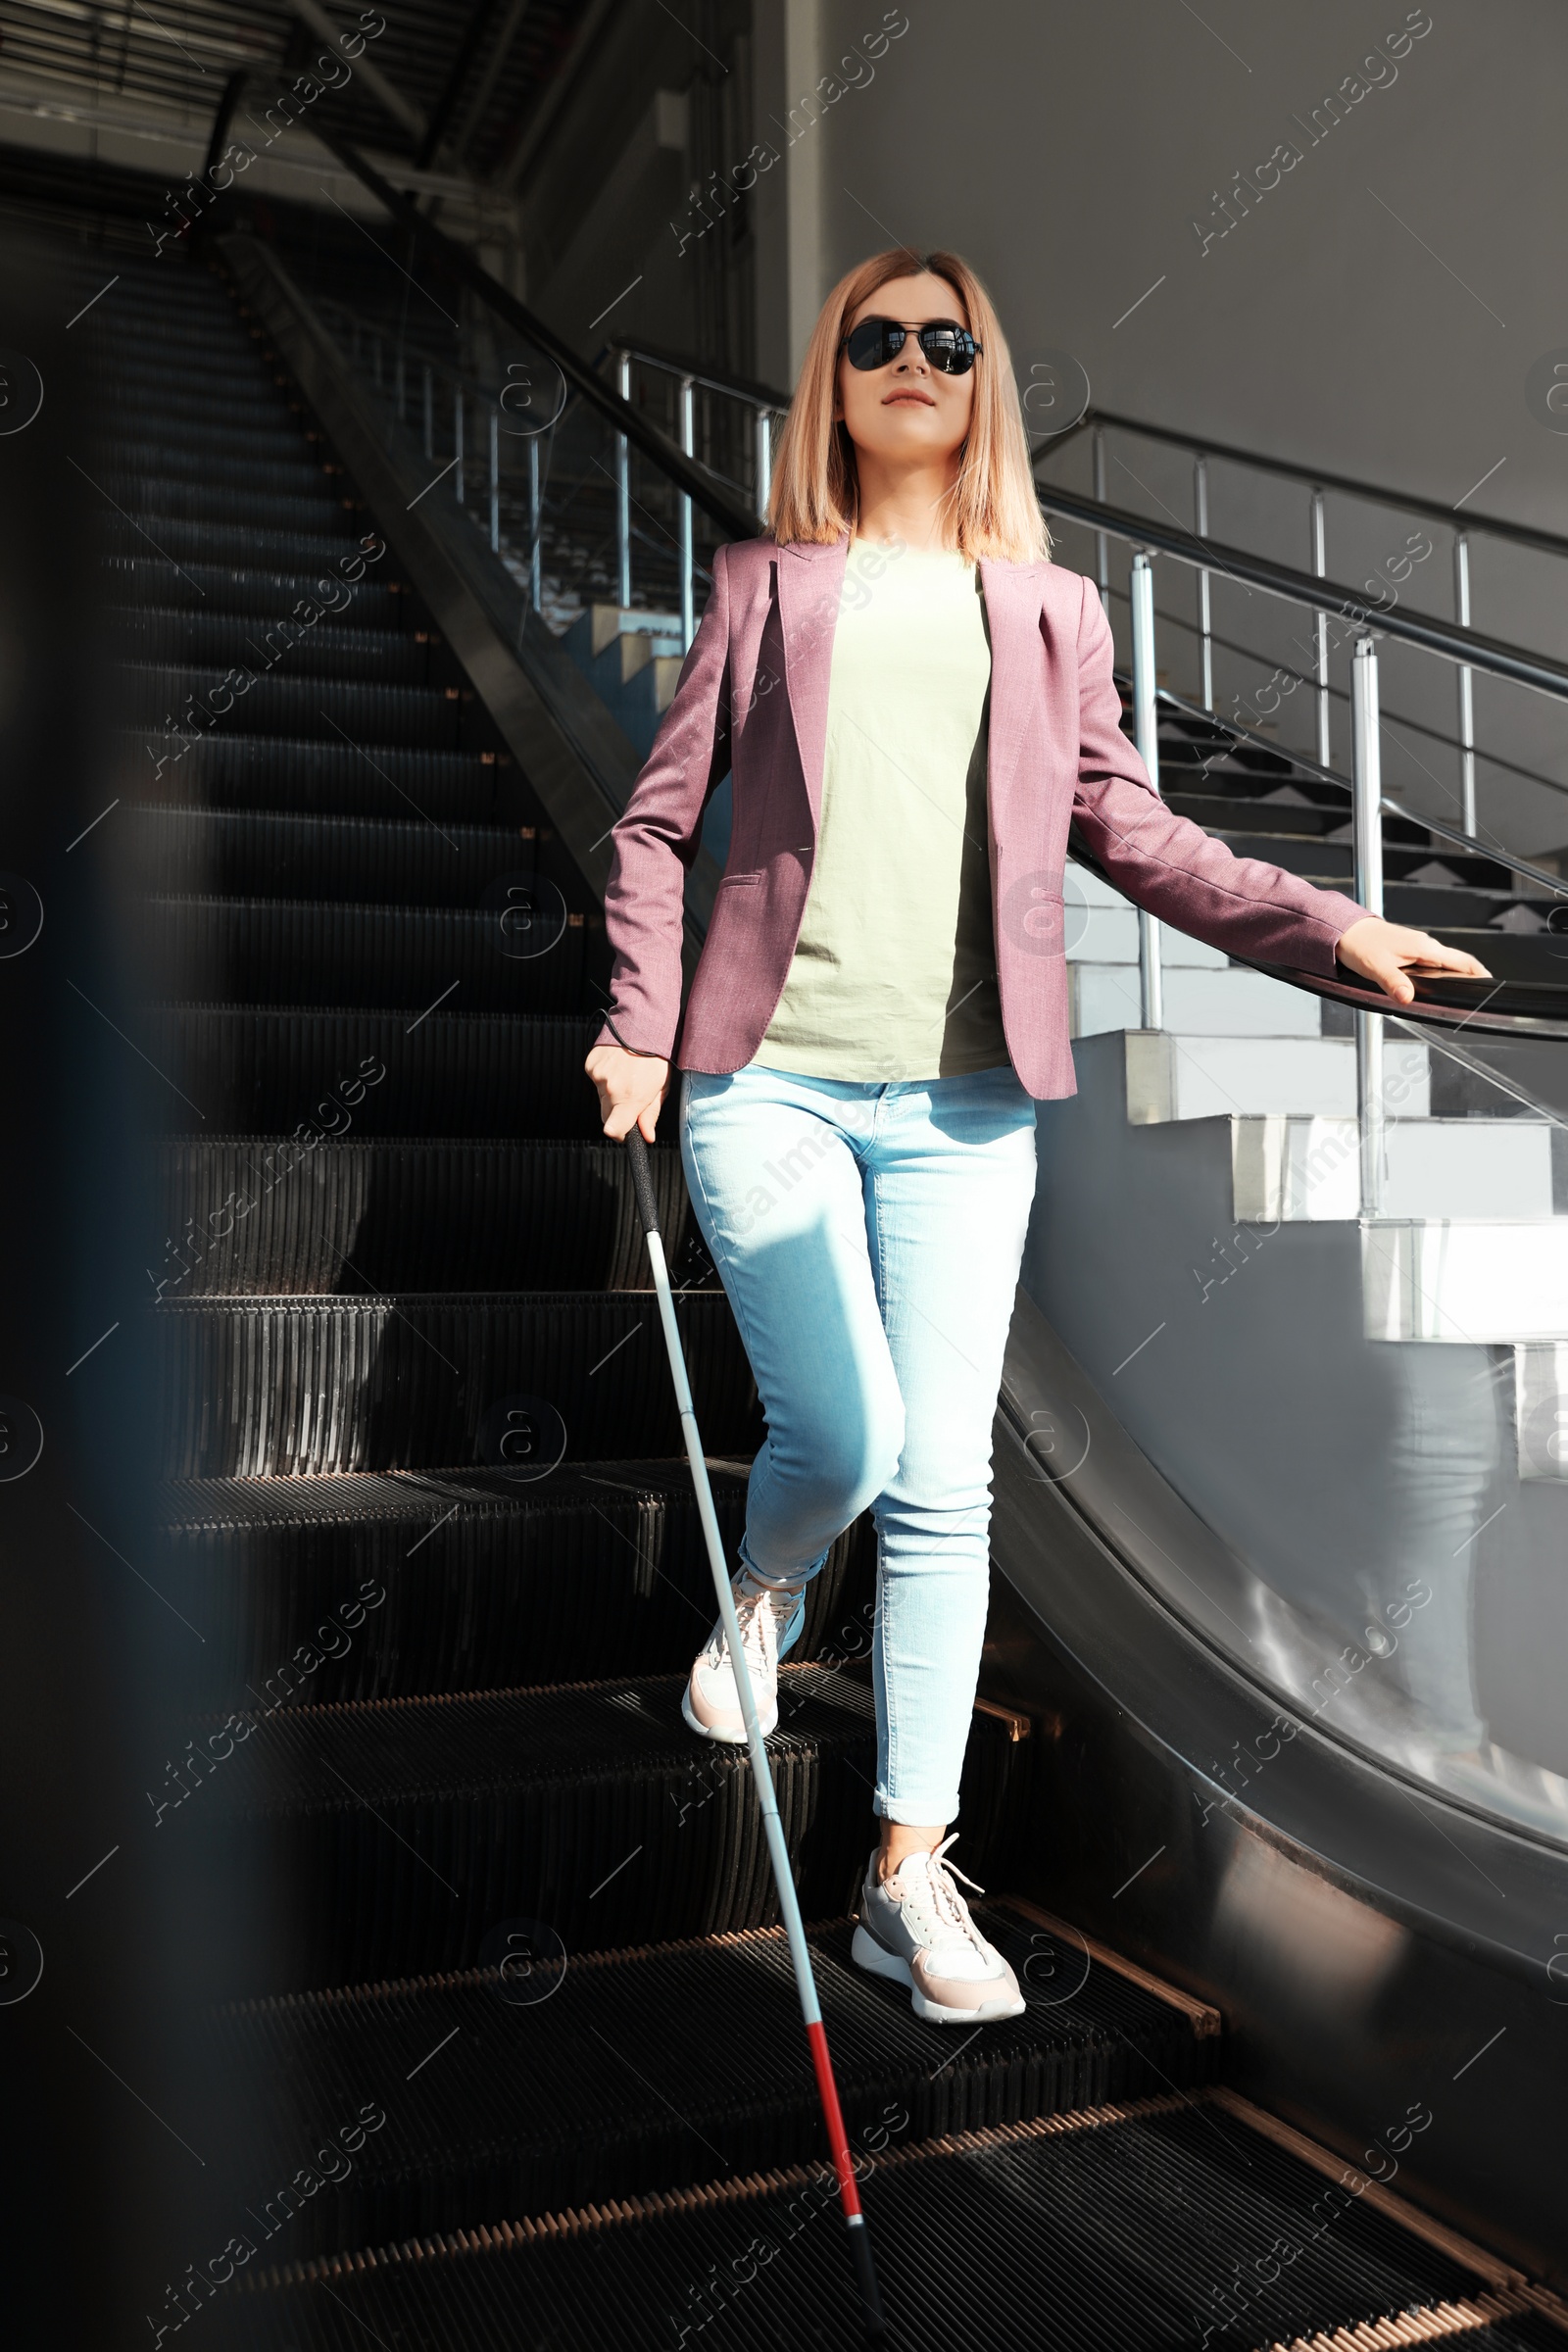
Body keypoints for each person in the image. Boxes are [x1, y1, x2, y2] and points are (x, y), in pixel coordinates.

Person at [584, 246, 1489, 2026]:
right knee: (841, 1433)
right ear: (832, 383)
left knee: (948, 1485)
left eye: (949, 339)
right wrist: (636, 1021)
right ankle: (764, 1587)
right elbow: (654, 821)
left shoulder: (1051, 611)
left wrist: (1326, 928)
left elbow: (1136, 834)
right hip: (767, 1076)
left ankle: (906, 1875)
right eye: (878, 338)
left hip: (968, 1111)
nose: (915, 359)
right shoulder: (766, 585)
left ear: (980, 380)